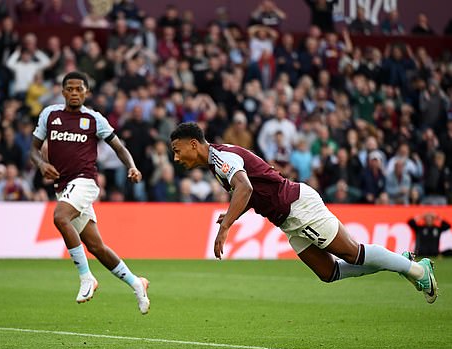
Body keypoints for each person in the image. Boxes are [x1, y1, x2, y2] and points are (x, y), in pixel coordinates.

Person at [170, 122, 438, 303]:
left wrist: (226, 226)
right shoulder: (216, 163)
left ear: (193, 143)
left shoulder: (220, 158)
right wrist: (233, 214)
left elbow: (245, 187)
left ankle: (417, 270)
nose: (176, 157)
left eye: (177, 150)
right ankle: (399, 262)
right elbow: (253, 191)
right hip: (289, 220)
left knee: (353, 253)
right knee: (328, 273)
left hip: (299, 207)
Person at [30, 71, 150, 314]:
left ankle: (86, 278)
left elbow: (119, 147)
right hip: (63, 187)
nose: (74, 93)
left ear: (87, 92)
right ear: (63, 92)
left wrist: (132, 166)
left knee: (60, 218)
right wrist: (42, 164)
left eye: (79, 89)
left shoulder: (94, 119)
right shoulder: (49, 115)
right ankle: (137, 283)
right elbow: (33, 149)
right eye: (70, 89)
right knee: (96, 246)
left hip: (85, 182)